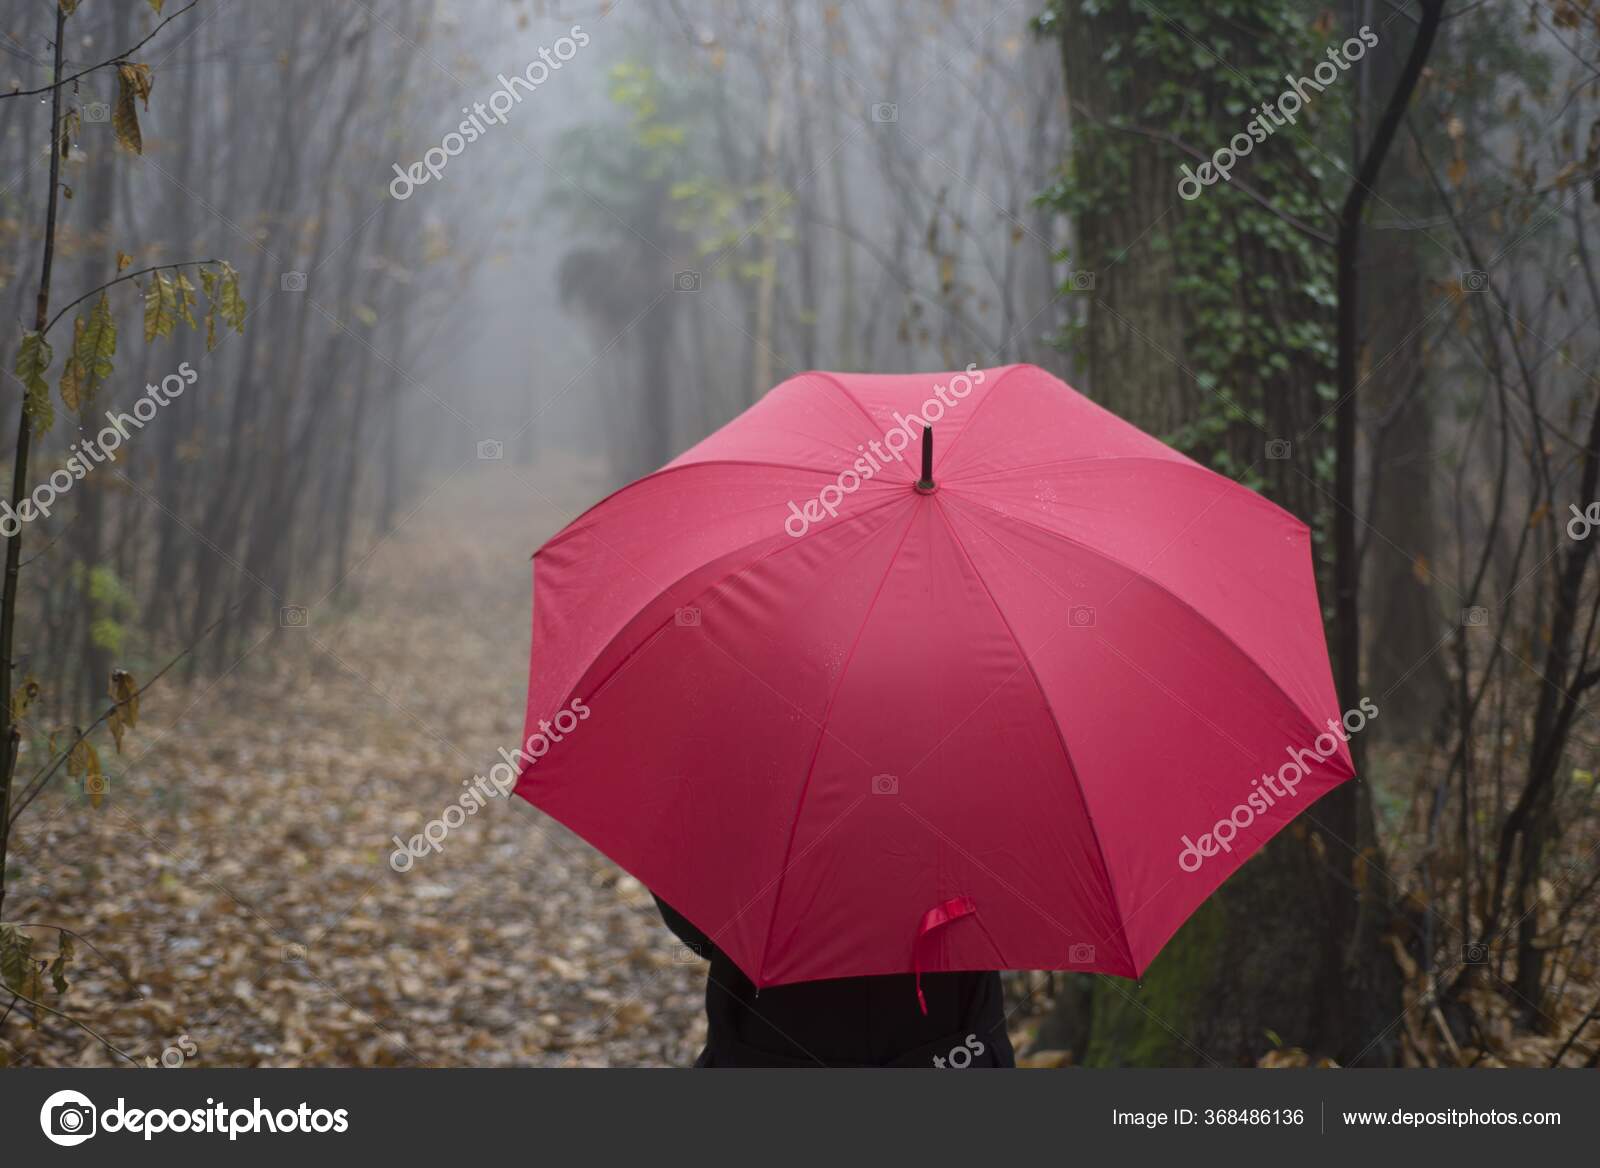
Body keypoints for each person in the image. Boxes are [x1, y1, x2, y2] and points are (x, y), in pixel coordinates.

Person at [655, 895, 1016, 1068]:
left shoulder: (740, 759)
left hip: (767, 1037)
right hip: (950, 1042)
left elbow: (694, 915)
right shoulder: (993, 760)